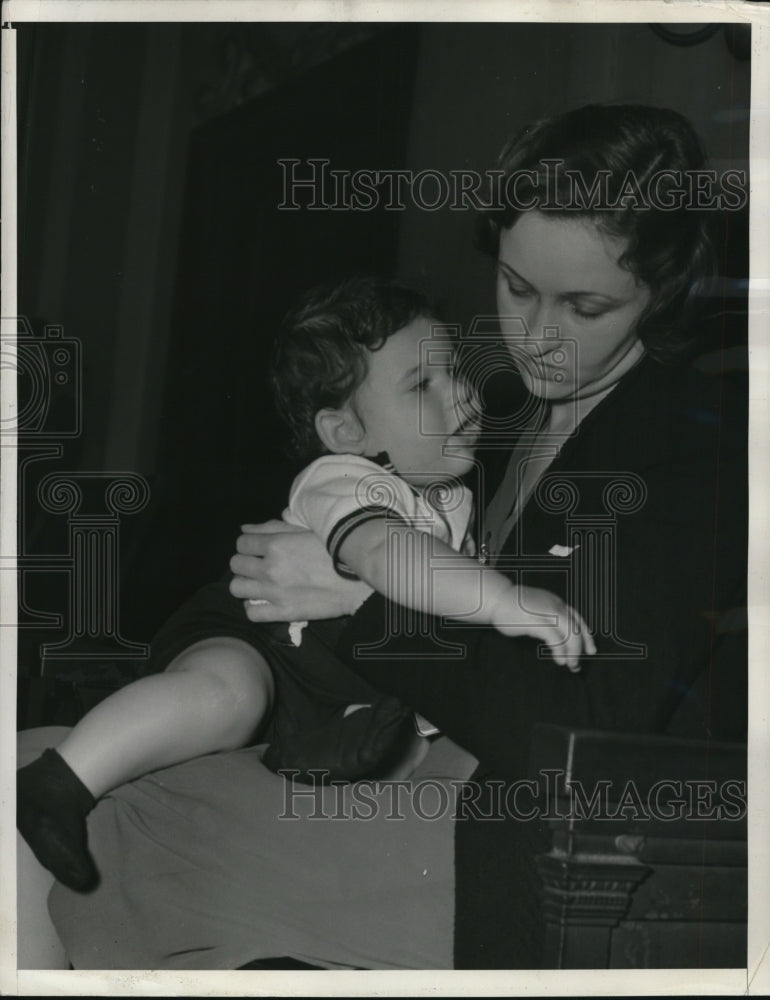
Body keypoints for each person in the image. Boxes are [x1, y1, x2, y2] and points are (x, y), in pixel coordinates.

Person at [17, 103, 747, 971]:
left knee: (79, 817)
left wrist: (357, 605)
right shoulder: (486, 416)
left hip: (539, 837)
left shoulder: (697, 446)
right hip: (398, 760)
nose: (539, 340)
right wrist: (227, 655)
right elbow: (274, 567)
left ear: (661, 294)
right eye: (516, 288)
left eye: (585, 306)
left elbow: (580, 720)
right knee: (34, 760)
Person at [17, 277, 594, 896]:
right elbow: (387, 556)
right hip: (253, 639)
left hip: (323, 689)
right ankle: (59, 783)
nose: (463, 397)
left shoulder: (451, 499)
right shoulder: (344, 481)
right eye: (423, 385)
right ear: (346, 433)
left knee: (387, 764)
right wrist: (501, 599)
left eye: (455, 372)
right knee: (225, 697)